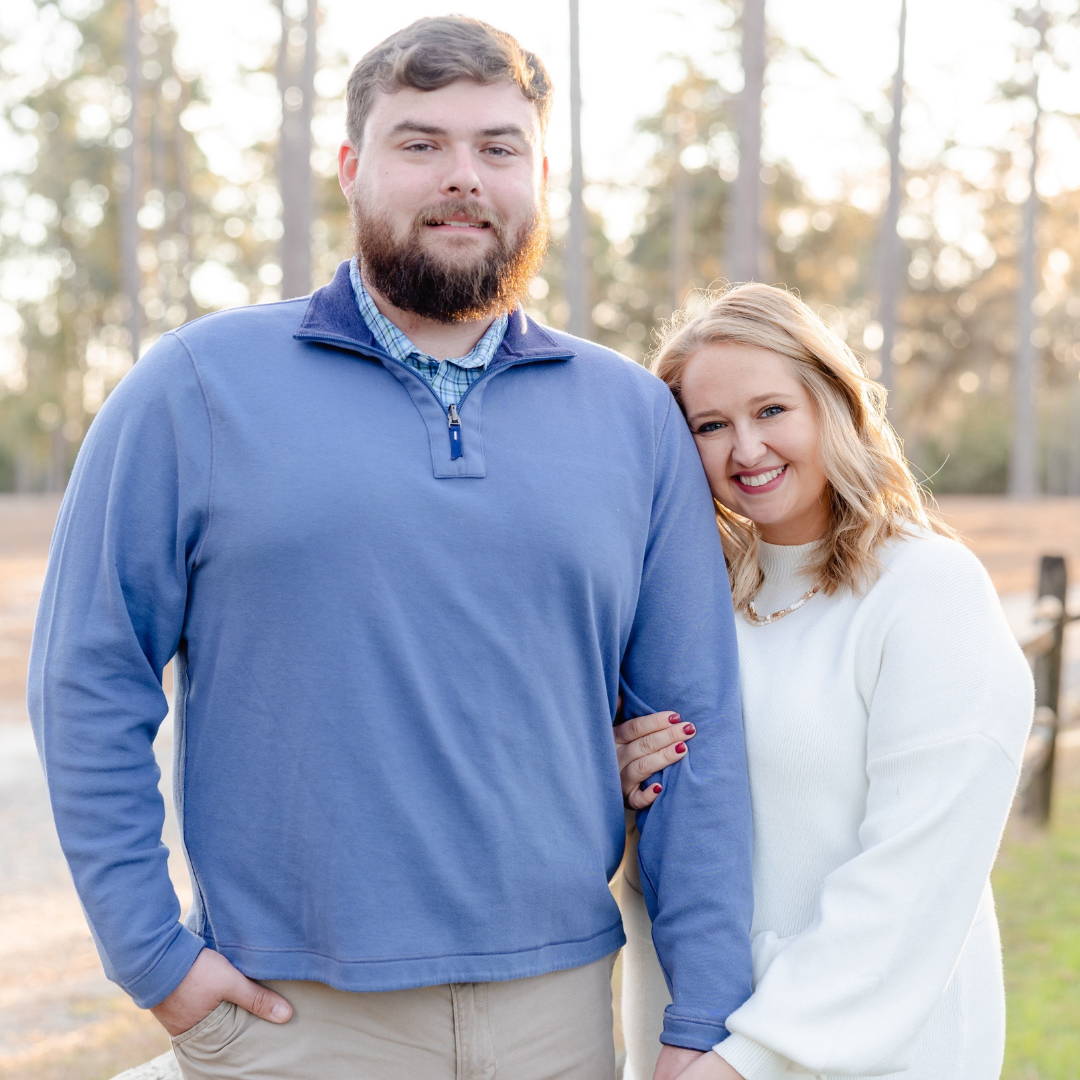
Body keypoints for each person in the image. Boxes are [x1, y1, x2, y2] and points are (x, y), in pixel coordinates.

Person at [27, 16, 754, 1080]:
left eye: (498, 147)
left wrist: (704, 1018)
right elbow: (88, 678)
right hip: (293, 1019)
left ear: (540, 177)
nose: (464, 175)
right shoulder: (196, 390)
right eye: (422, 143)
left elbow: (695, 729)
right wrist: (153, 959)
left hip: (558, 1016)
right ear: (351, 167)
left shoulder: (633, 417)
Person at [616, 282, 1034, 1080]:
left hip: (863, 1054)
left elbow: (915, 880)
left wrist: (749, 1058)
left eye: (771, 410)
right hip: (693, 1040)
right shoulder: (687, 607)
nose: (746, 449)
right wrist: (621, 779)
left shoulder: (925, 591)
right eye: (711, 425)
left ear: (833, 404)